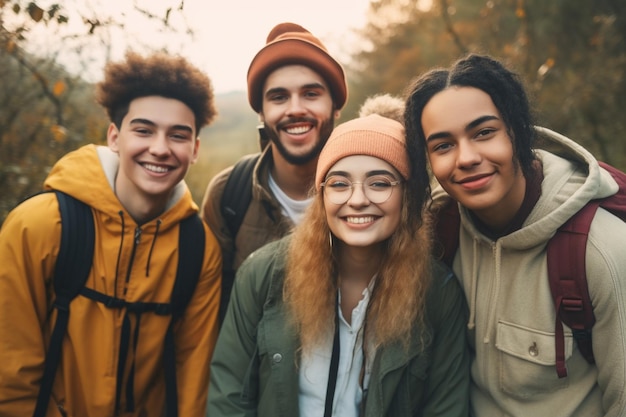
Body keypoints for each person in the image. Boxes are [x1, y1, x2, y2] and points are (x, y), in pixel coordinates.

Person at [0, 51, 222, 417]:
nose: (160, 148)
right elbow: (10, 373)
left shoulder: (197, 248)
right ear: (115, 137)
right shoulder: (39, 225)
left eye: (178, 135)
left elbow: (192, 379)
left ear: (195, 149)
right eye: (144, 130)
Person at [404, 53, 626, 416]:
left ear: (518, 130)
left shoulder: (600, 249)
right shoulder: (439, 231)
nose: (466, 158)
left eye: (484, 133)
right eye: (443, 145)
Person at [206, 114, 470, 416]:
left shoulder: (437, 293)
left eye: (380, 183)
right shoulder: (263, 274)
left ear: (407, 196)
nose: (357, 199)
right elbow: (229, 397)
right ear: (322, 196)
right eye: (339, 183)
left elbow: (446, 408)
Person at [200, 22, 348, 321]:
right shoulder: (229, 195)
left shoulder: (370, 194)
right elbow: (208, 313)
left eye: (310, 94)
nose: (294, 109)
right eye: (278, 97)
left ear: (335, 107)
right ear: (262, 112)